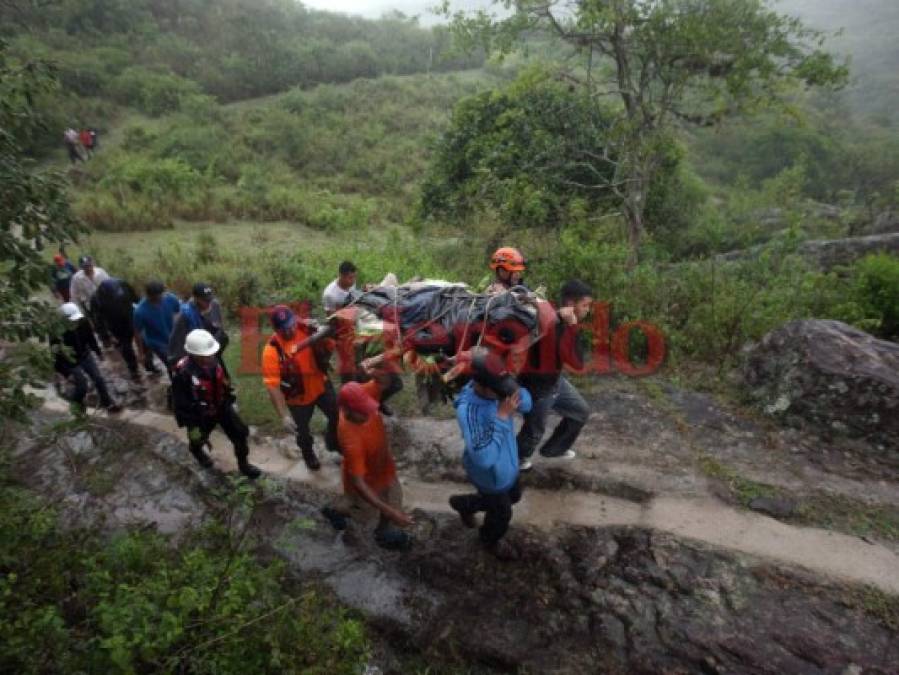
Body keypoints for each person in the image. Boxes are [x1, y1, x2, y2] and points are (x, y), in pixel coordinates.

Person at [449, 348, 532, 560]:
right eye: (500, 390)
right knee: (502, 513)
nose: (506, 394)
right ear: (483, 387)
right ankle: (489, 540)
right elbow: (484, 459)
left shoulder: (496, 389)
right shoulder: (469, 412)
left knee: (514, 495)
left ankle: (464, 504)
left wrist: (512, 391)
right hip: (490, 476)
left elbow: (528, 405)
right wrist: (502, 418)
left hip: (508, 465)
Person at [322, 372, 414, 550]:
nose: (369, 412)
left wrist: (378, 362)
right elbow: (359, 483)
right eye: (362, 412)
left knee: (394, 500)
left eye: (368, 407)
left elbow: (387, 379)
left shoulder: (360, 394)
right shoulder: (351, 440)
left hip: (385, 469)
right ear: (347, 410)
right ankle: (334, 511)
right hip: (366, 480)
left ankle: (382, 533)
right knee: (365, 513)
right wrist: (392, 513)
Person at [516, 279, 593, 471]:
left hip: (554, 381)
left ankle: (555, 449)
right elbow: (577, 362)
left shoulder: (558, 319)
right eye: (585, 305)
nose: (587, 310)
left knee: (580, 412)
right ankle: (516, 461)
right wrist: (573, 326)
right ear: (570, 304)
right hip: (538, 386)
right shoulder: (552, 325)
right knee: (534, 431)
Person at [171, 329, 260, 478]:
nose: (211, 356)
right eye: (207, 355)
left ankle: (243, 465)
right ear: (194, 355)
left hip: (221, 406)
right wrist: (192, 426)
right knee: (197, 438)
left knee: (240, 434)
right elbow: (181, 404)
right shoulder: (183, 375)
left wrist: (229, 395)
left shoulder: (213, 360)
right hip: (200, 416)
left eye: (212, 353)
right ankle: (197, 451)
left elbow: (223, 380)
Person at [262, 305, 340, 471]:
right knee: (302, 432)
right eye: (285, 329)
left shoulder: (307, 329)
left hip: (321, 386)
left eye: (292, 324)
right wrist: (284, 416)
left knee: (337, 415)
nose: (290, 330)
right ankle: (308, 454)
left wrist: (325, 332)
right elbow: (273, 386)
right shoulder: (271, 351)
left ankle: (332, 440)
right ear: (276, 329)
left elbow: (330, 342)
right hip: (298, 400)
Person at [51, 303, 122, 415]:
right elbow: (55, 354)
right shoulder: (56, 332)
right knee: (82, 385)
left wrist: (98, 352)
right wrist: (64, 373)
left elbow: (90, 338)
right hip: (70, 361)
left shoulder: (83, 322)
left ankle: (107, 403)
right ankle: (77, 403)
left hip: (85, 354)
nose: (75, 322)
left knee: (98, 379)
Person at [92, 277, 146, 381]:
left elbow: (136, 299)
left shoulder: (123, 285)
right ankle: (133, 369)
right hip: (115, 326)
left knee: (143, 340)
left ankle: (148, 363)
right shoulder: (96, 298)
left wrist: (143, 314)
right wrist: (105, 337)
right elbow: (98, 320)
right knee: (126, 347)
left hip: (131, 318)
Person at [168, 283, 229, 369]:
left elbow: (219, 328)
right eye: (205, 300)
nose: (208, 303)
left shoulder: (214, 305)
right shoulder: (185, 316)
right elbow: (176, 341)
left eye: (210, 300)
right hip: (195, 354)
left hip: (209, 349)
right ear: (196, 298)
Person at [133, 280, 180, 376]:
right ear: (149, 295)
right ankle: (176, 384)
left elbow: (178, 312)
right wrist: (141, 353)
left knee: (183, 361)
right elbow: (137, 333)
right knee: (171, 365)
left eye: (162, 294)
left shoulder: (170, 298)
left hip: (174, 337)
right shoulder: (140, 311)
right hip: (158, 343)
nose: (162, 297)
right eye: (159, 295)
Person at [69, 255, 111, 345]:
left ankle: (114, 336)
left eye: (89, 265)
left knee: (111, 320)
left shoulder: (101, 272)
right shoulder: (76, 278)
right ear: (81, 267)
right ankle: (105, 340)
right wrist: (79, 311)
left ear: (92, 264)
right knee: (98, 324)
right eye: (85, 266)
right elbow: (74, 296)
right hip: (90, 305)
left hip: (105, 301)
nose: (88, 268)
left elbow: (110, 284)